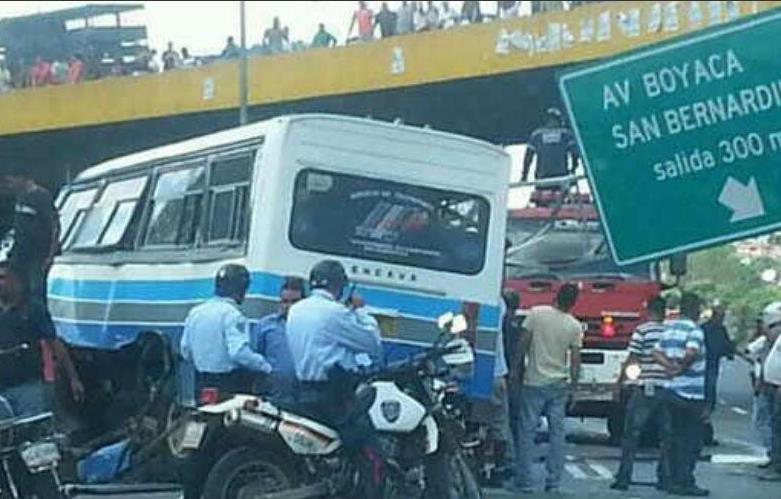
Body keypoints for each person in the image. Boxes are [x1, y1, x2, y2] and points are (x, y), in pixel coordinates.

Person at [286, 259, 383, 497]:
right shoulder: (335, 312)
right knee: (370, 450)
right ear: (339, 286)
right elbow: (372, 343)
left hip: (303, 390)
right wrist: (360, 310)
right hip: (334, 396)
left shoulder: (296, 310)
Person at [515, 283, 582, 493]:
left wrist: (516, 369)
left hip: (533, 381)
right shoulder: (574, 326)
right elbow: (575, 360)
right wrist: (574, 386)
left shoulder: (536, 314)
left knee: (526, 430)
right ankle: (553, 481)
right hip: (558, 384)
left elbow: (523, 343)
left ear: (556, 296)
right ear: (573, 303)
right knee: (557, 432)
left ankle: (525, 481)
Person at [0, 263, 84, 417]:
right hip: (2, 390)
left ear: (16, 280)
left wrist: (73, 378)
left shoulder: (33, 309)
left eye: (3, 278)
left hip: (28, 386)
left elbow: (54, 343)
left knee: (31, 433)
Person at [180, 264, 272, 394]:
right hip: (227, 383)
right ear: (240, 289)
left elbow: (185, 351)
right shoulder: (233, 315)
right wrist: (265, 366)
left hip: (200, 382)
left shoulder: (195, 312)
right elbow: (238, 353)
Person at [611, 296, 672, 491]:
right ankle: (664, 477)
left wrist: (619, 382)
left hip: (645, 386)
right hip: (667, 388)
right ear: (664, 312)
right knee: (666, 435)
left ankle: (624, 477)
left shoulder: (642, 330)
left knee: (631, 433)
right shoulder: (671, 332)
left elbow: (633, 357)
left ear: (649, 311)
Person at [653, 292, 709, 496]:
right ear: (695, 309)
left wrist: (668, 366)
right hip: (690, 394)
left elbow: (656, 352)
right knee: (690, 441)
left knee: (671, 438)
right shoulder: (695, 330)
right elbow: (692, 352)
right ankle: (684, 481)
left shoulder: (669, 327)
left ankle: (665, 478)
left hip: (670, 390)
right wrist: (681, 368)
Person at [251, 277, 305, 399]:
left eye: (294, 302)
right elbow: (255, 356)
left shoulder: (311, 328)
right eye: (285, 301)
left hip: (302, 396)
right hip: (272, 394)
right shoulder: (265, 325)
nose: (289, 306)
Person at [6, 176, 57, 304]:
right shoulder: (21, 197)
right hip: (21, 256)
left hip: (38, 256)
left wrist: (50, 256)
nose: (9, 185)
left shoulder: (41, 196)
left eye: (10, 181)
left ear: (21, 178)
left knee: (37, 292)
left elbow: (54, 225)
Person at [701, 304, 735, 446]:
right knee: (706, 399)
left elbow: (726, 347)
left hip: (712, 368)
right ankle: (703, 432)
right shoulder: (704, 329)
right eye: (720, 316)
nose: (721, 319)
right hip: (703, 368)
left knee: (709, 399)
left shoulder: (720, 330)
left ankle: (704, 431)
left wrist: (730, 352)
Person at [522, 108, 580, 183]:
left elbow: (528, 156)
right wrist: (573, 169)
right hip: (558, 177)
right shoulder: (565, 134)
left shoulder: (537, 135)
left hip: (546, 178)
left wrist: (524, 175)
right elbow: (575, 154)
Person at [757, 302, 781, 482]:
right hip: (772, 385)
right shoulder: (773, 342)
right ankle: (775, 460)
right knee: (774, 425)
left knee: (778, 428)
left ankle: (778, 465)